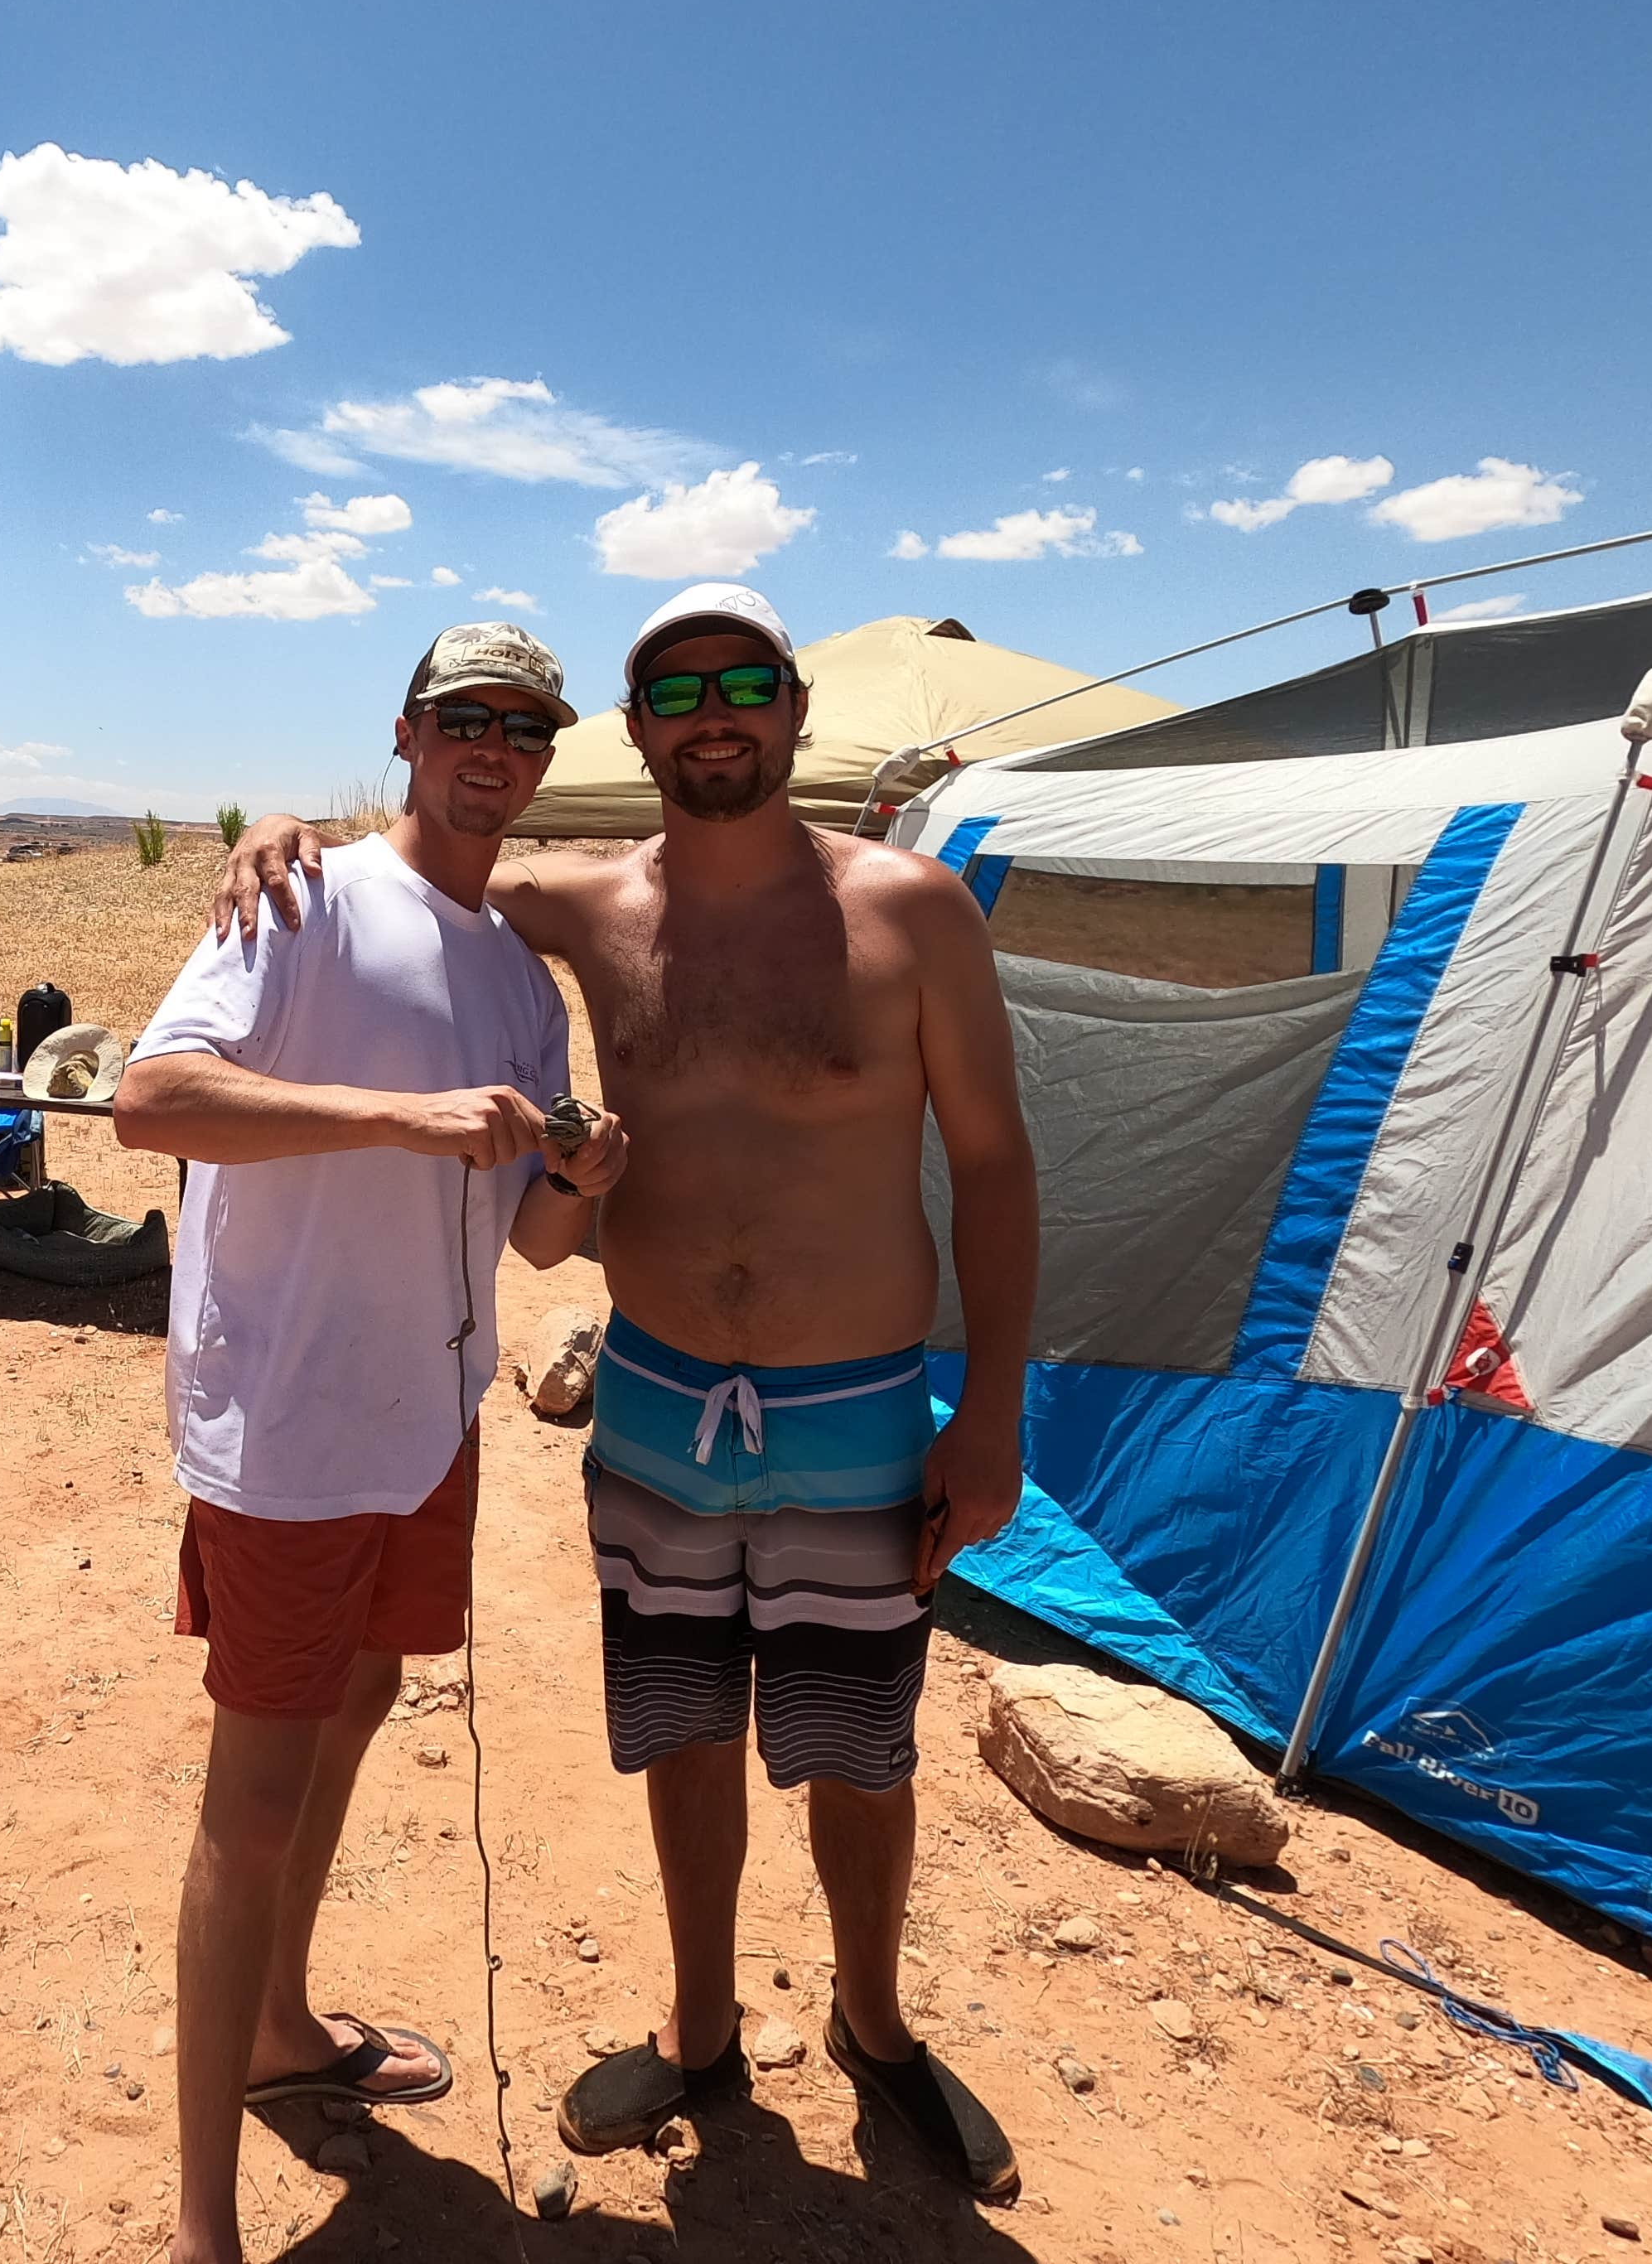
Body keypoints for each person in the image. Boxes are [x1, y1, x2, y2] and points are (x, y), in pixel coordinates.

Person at [211, 582, 1037, 2200]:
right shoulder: (585, 906)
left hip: (853, 1405)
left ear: (792, 710)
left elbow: (997, 1168)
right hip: (656, 1399)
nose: (710, 714)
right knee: (684, 1727)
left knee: (858, 1745)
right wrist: (289, 835)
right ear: (638, 732)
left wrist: (993, 1414)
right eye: (674, 692)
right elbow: (421, 868)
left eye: (742, 685)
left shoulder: (912, 909)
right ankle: (698, 2023)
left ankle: (874, 2025)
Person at [115, 625, 632, 2264]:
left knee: (358, 1703)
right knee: (253, 1802)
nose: (495, 747)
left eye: (525, 727)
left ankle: (280, 2024)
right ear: (407, 733)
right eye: (465, 717)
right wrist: (401, 1119)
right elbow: (151, 1103)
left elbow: (530, 1241)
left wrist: (579, 1180)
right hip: (285, 1430)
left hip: (423, 1426)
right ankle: (203, 2224)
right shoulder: (303, 899)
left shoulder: (519, 984)